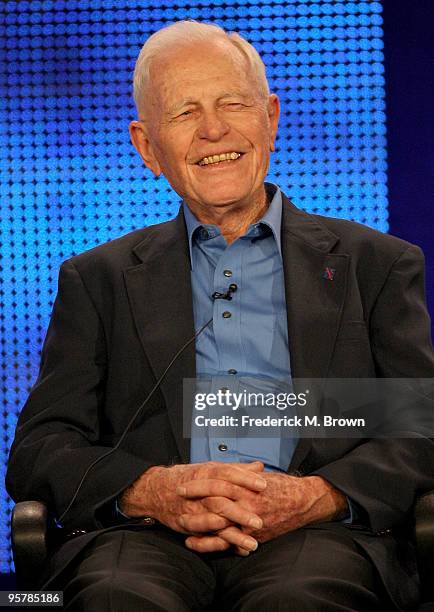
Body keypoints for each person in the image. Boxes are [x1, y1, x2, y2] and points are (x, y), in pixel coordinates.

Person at [6, 20, 434, 612]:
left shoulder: (375, 265)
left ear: (271, 119)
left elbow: (421, 426)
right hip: (143, 539)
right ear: (147, 147)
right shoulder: (96, 279)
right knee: (114, 598)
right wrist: (150, 489)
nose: (214, 130)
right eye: (184, 114)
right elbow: (40, 449)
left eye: (232, 103)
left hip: (318, 535)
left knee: (300, 601)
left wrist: (318, 494)